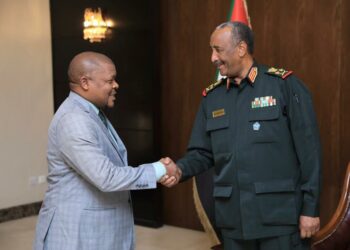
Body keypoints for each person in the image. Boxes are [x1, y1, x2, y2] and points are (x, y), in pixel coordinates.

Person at [161, 22, 322, 250]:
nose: (212, 58)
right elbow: (202, 153)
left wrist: (310, 209)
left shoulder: (283, 86)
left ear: (241, 48)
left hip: (279, 218)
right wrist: (179, 169)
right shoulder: (212, 97)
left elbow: (310, 153)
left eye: (218, 50)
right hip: (233, 220)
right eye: (211, 50)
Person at [34, 51, 175, 250]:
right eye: (110, 80)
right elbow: (106, 177)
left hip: (97, 230)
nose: (116, 85)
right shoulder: (74, 119)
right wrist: (159, 170)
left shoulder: (91, 112)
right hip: (77, 233)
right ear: (85, 83)